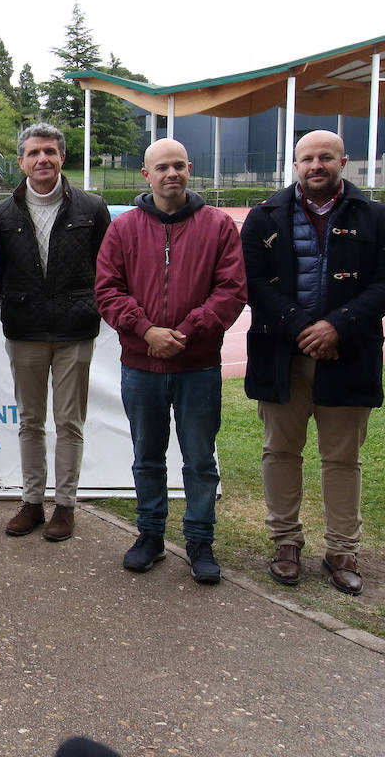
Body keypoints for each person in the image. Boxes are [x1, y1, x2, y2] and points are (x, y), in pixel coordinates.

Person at [241, 130, 385, 595]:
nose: (316, 165)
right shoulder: (263, 217)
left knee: (342, 457)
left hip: (349, 354)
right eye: (307, 158)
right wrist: (302, 328)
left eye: (325, 157)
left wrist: (337, 326)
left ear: (343, 162)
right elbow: (253, 282)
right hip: (280, 354)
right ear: (294, 165)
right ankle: (286, 542)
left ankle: (341, 549)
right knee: (280, 451)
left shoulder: (378, 217)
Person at [94, 138, 246, 584]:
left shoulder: (217, 226)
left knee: (199, 459)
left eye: (178, 165)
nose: (171, 174)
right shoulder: (122, 230)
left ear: (189, 168)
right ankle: (150, 536)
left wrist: (188, 331)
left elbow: (232, 290)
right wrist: (146, 330)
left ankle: (199, 540)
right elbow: (107, 289)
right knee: (147, 457)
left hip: (197, 366)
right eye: (162, 167)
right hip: (141, 366)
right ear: (147, 174)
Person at [0, 123, 111, 542]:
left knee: (69, 421)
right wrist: (13, 300)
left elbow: (107, 266)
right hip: (24, 330)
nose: (42, 159)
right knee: (30, 420)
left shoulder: (92, 208)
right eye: (33, 152)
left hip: (76, 329)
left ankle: (65, 505)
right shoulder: (1, 214)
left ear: (62, 157)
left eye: (50, 151)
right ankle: (31, 502)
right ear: (21, 161)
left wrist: (90, 304)